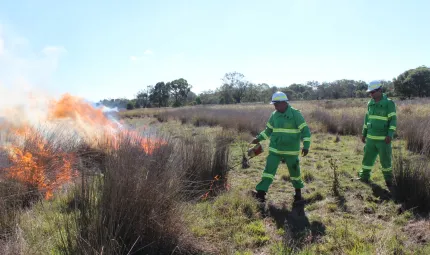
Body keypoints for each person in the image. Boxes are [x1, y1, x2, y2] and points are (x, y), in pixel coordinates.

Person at [250, 91, 311, 203]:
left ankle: (298, 193)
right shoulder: (274, 115)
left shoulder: (296, 114)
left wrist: (306, 146)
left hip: (291, 151)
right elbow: (268, 130)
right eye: (274, 104)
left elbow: (305, 131)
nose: (275, 106)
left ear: (284, 103)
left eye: (276, 104)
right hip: (275, 150)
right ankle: (261, 193)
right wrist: (259, 138)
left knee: (295, 172)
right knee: (268, 171)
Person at [357, 80, 397, 188]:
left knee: (385, 162)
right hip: (370, 139)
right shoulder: (370, 104)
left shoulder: (389, 103)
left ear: (379, 90)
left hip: (383, 140)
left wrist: (390, 134)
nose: (371, 94)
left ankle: (389, 181)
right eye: (370, 93)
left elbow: (393, 120)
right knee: (367, 159)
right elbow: (367, 121)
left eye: (373, 92)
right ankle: (364, 177)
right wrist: (363, 134)